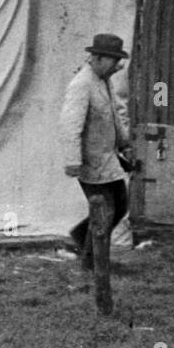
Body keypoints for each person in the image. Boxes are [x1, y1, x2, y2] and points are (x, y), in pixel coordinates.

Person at [59, 33, 133, 315]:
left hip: (108, 159)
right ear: (98, 58)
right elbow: (70, 125)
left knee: (120, 206)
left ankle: (82, 238)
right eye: (115, 61)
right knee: (106, 211)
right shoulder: (81, 84)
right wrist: (72, 160)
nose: (118, 67)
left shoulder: (104, 81)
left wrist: (125, 143)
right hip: (90, 162)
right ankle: (91, 262)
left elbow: (114, 117)